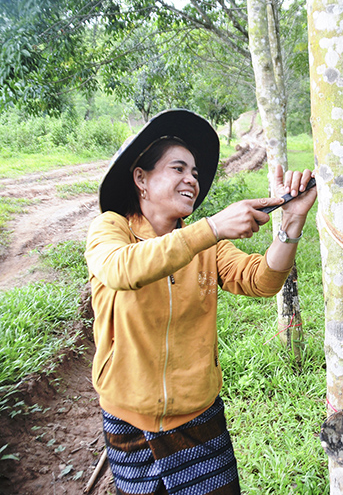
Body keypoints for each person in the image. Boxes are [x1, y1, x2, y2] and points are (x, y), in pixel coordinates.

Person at [84, 109, 316, 495]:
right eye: (178, 168)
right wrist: (210, 228)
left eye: (194, 172)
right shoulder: (112, 229)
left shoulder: (207, 246)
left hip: (198, 419)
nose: (191, 178)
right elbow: (120, 270)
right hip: (127, 422)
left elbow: (262, 280)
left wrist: (290, 226)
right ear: (141, 178)